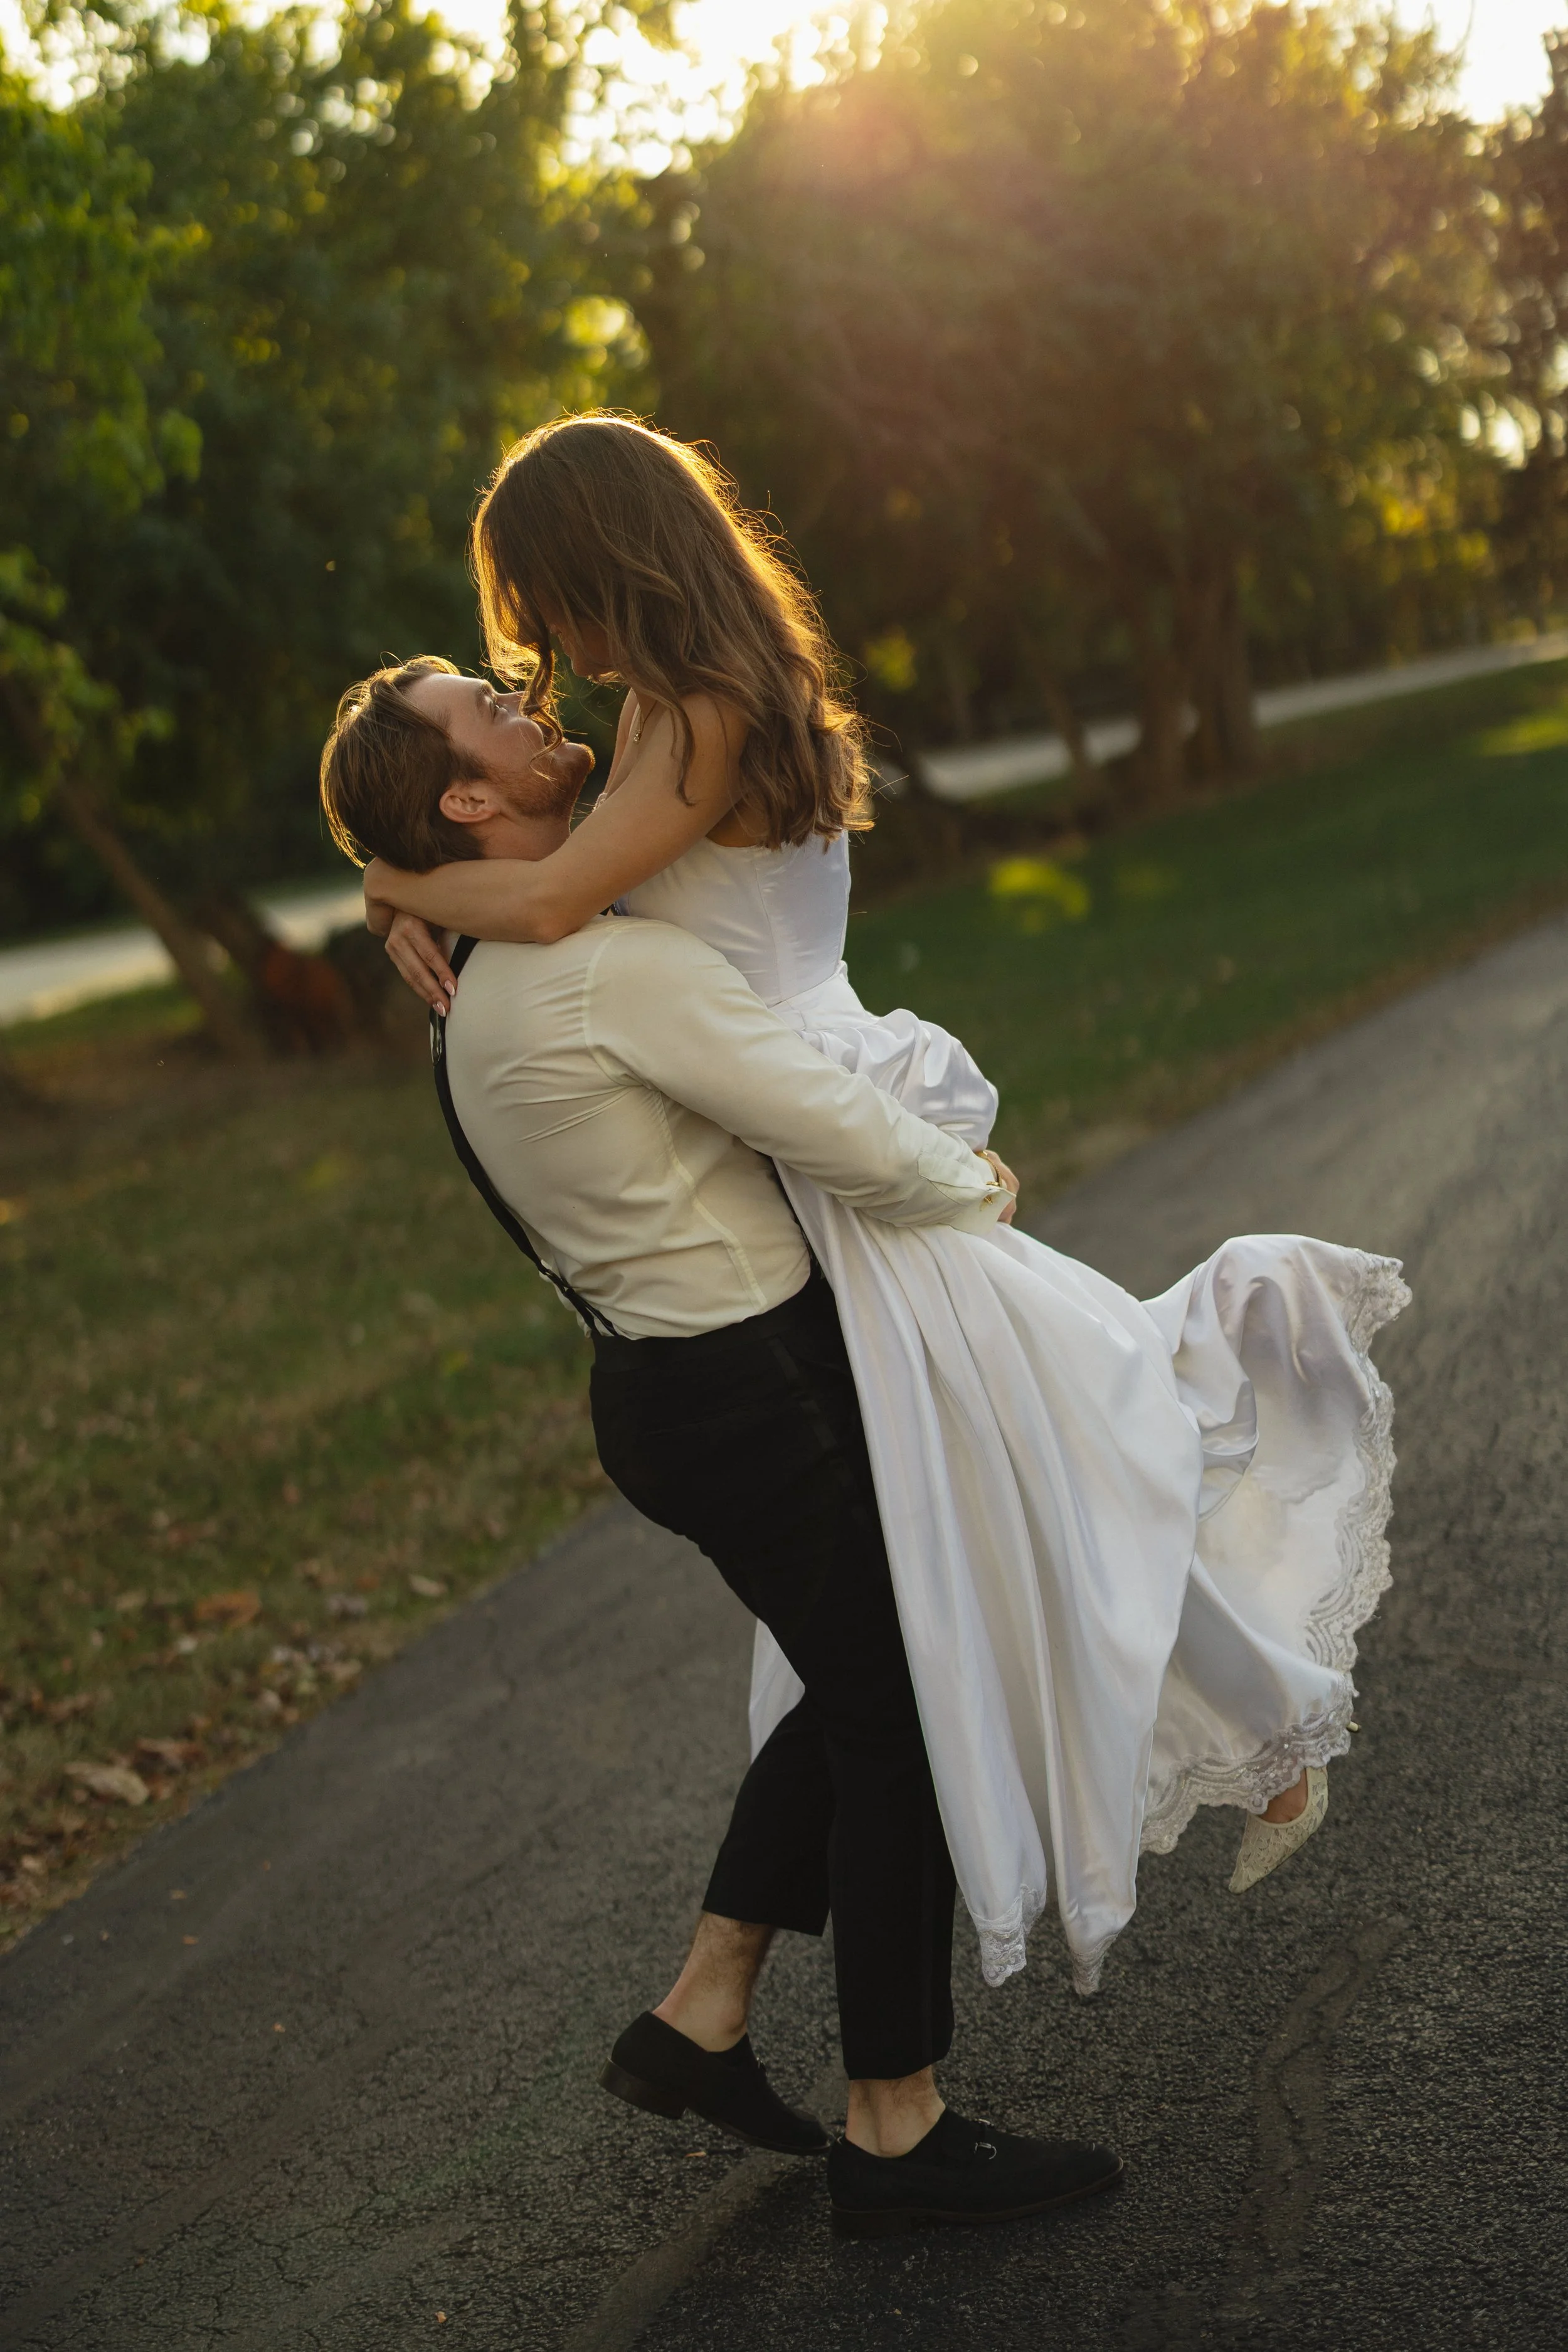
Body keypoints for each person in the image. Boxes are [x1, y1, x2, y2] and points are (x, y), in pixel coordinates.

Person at [356, 415, 1409, 1998]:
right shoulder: (663, 701)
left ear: (607, 560)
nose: (541, 648)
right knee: (972, 1486)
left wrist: (394, 888)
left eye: (548, 597)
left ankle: (1254, 1728)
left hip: (818, 1107)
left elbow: (561, 897)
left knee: (1016, 1466)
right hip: (773, 1111)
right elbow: (559, 888)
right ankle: (740, 1992)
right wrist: (413, 888)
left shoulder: (706, 707)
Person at [318, 666, 1125, 2237]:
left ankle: (701, 2012)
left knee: (858, 1679)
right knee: (896, 1707)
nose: (515, 689)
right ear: (470, 802)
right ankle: (893, 2129)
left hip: (670, 1393)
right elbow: (813, 1113)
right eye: (480, 702)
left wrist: (386, 882)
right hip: (744, 1390)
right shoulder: (594, 969)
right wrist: (965, 1182)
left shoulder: (483, 972)